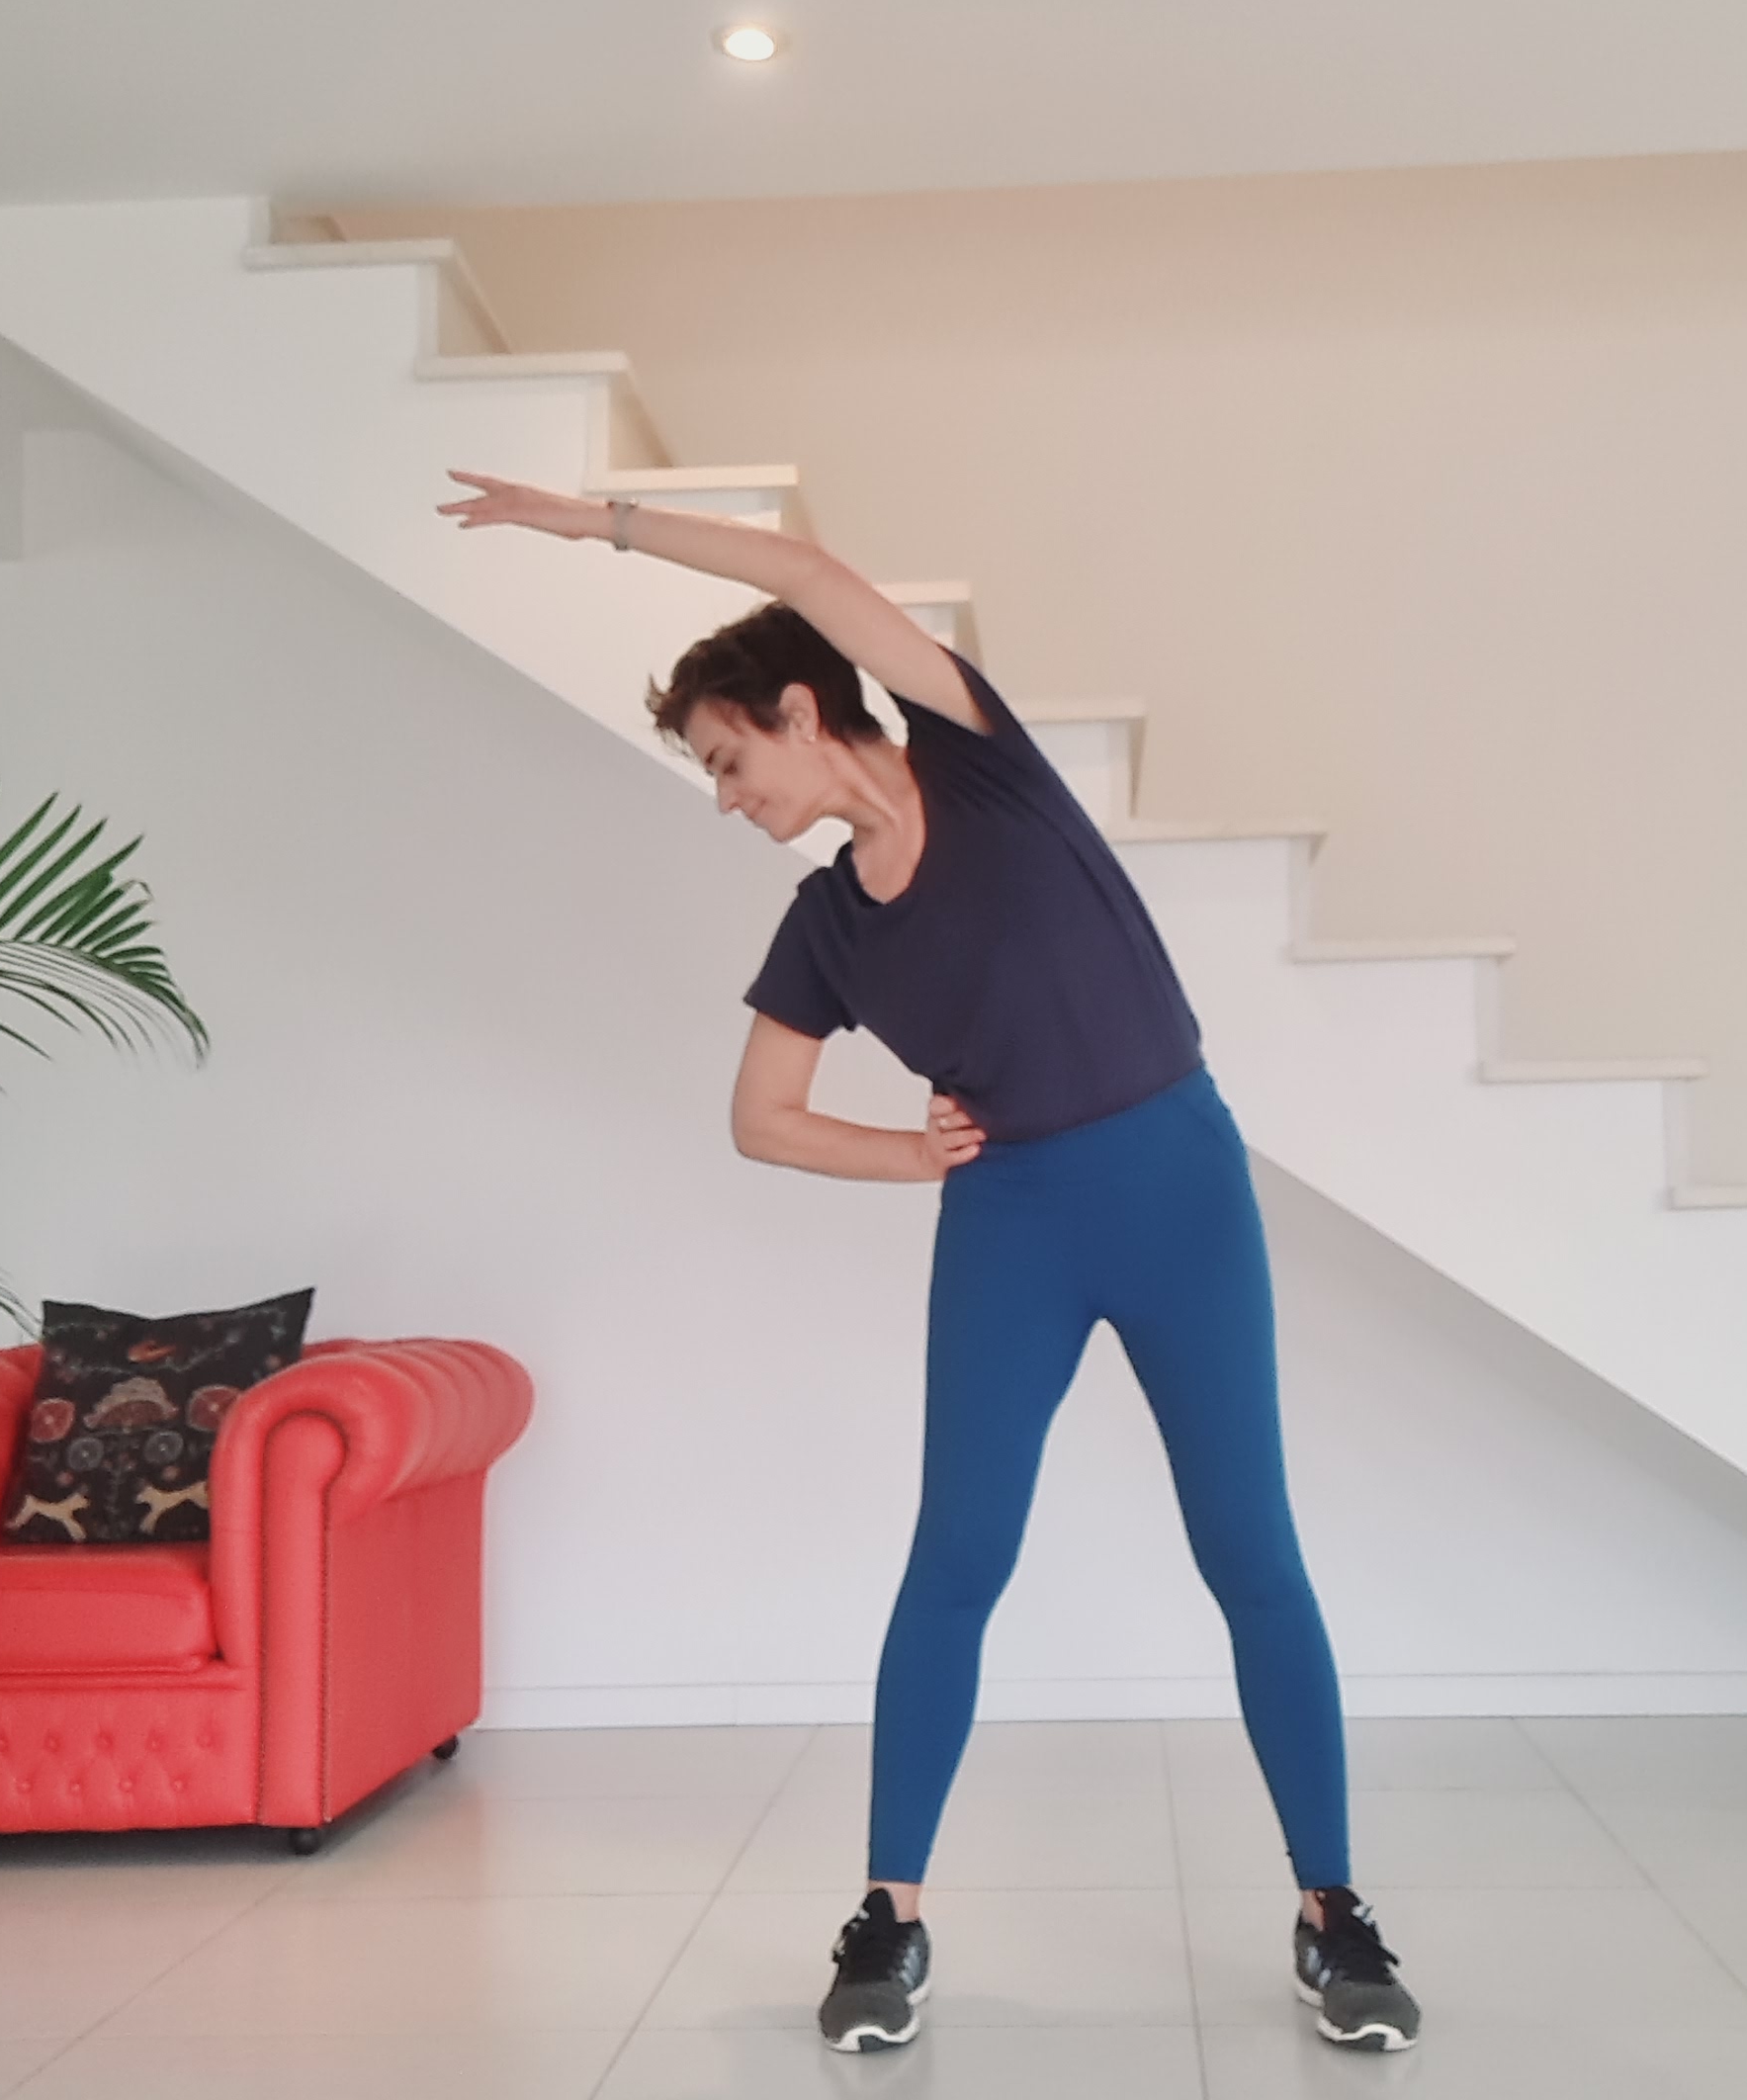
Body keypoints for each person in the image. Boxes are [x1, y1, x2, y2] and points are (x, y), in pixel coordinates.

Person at [437, 469, 1423, 2056]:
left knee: (1250, 1551)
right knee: (957, 1558)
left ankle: (1333, 1914)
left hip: (1178, 1182)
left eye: (727, 757)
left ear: (801, 711)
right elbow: (761, 1118)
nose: (724, 796)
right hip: (1011, 1222)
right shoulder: (826, 926)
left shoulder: (981, 758)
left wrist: (596, 527)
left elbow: (807, 571)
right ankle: (889, 1920)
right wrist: (910, 1157)